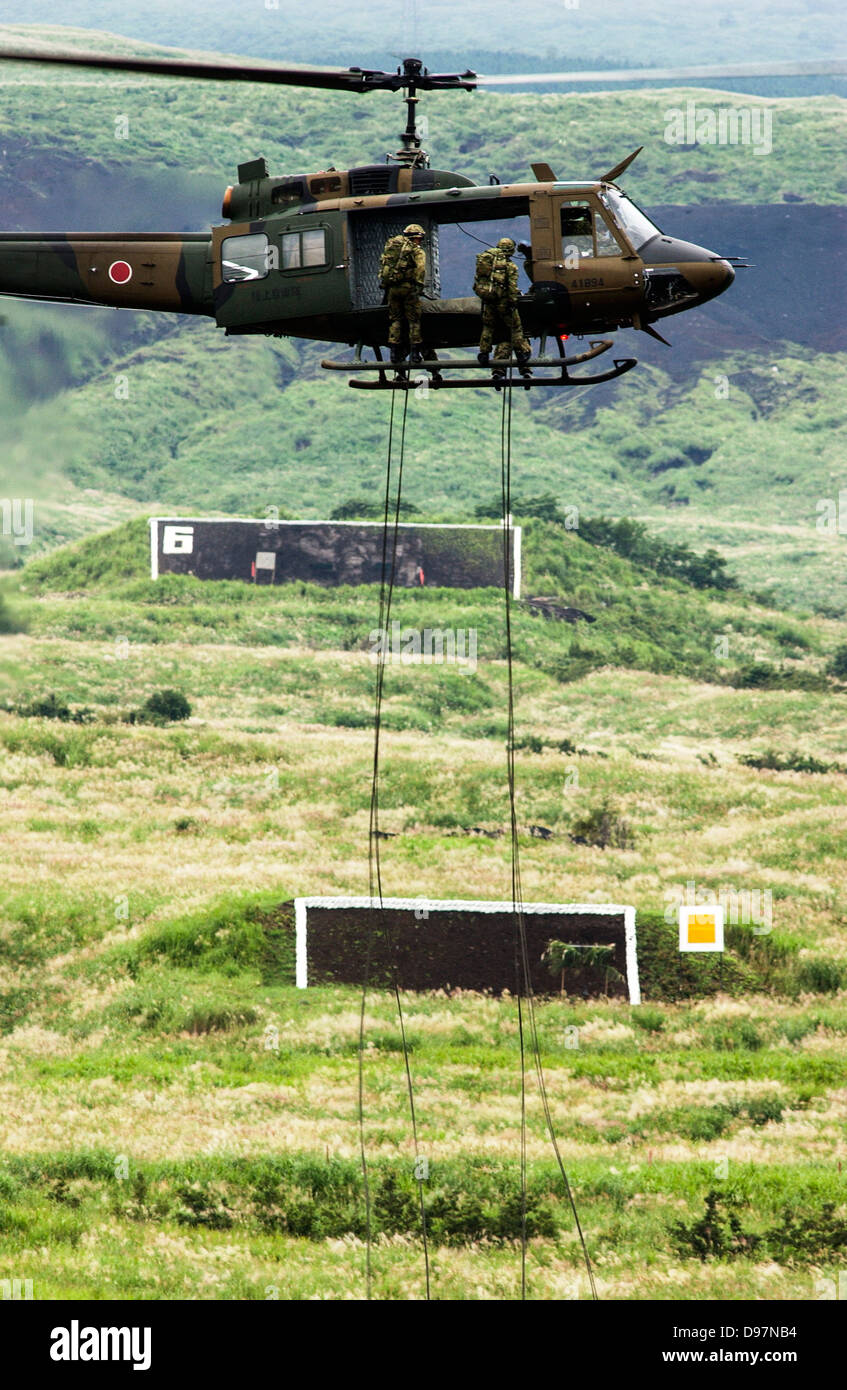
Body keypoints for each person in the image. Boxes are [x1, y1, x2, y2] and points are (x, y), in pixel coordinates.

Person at [474, 236, 532, 379]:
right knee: (515, 327)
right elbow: (512, 287)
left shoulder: (486, 260)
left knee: (488, 327)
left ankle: (483, 353)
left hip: (488, 301)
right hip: (504, 303)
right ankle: (522, 352)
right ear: (511, 250)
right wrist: (512, 301)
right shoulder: (510, 266)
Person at [379, 223, 426, 368]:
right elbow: (421, 268)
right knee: (414, 320)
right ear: (417, 237)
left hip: (392, 289)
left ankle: (393, 353)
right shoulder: (416, 250)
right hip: (408, 288)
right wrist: (419, 285)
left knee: (395, 319)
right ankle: (415, 353)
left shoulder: (392, 246)